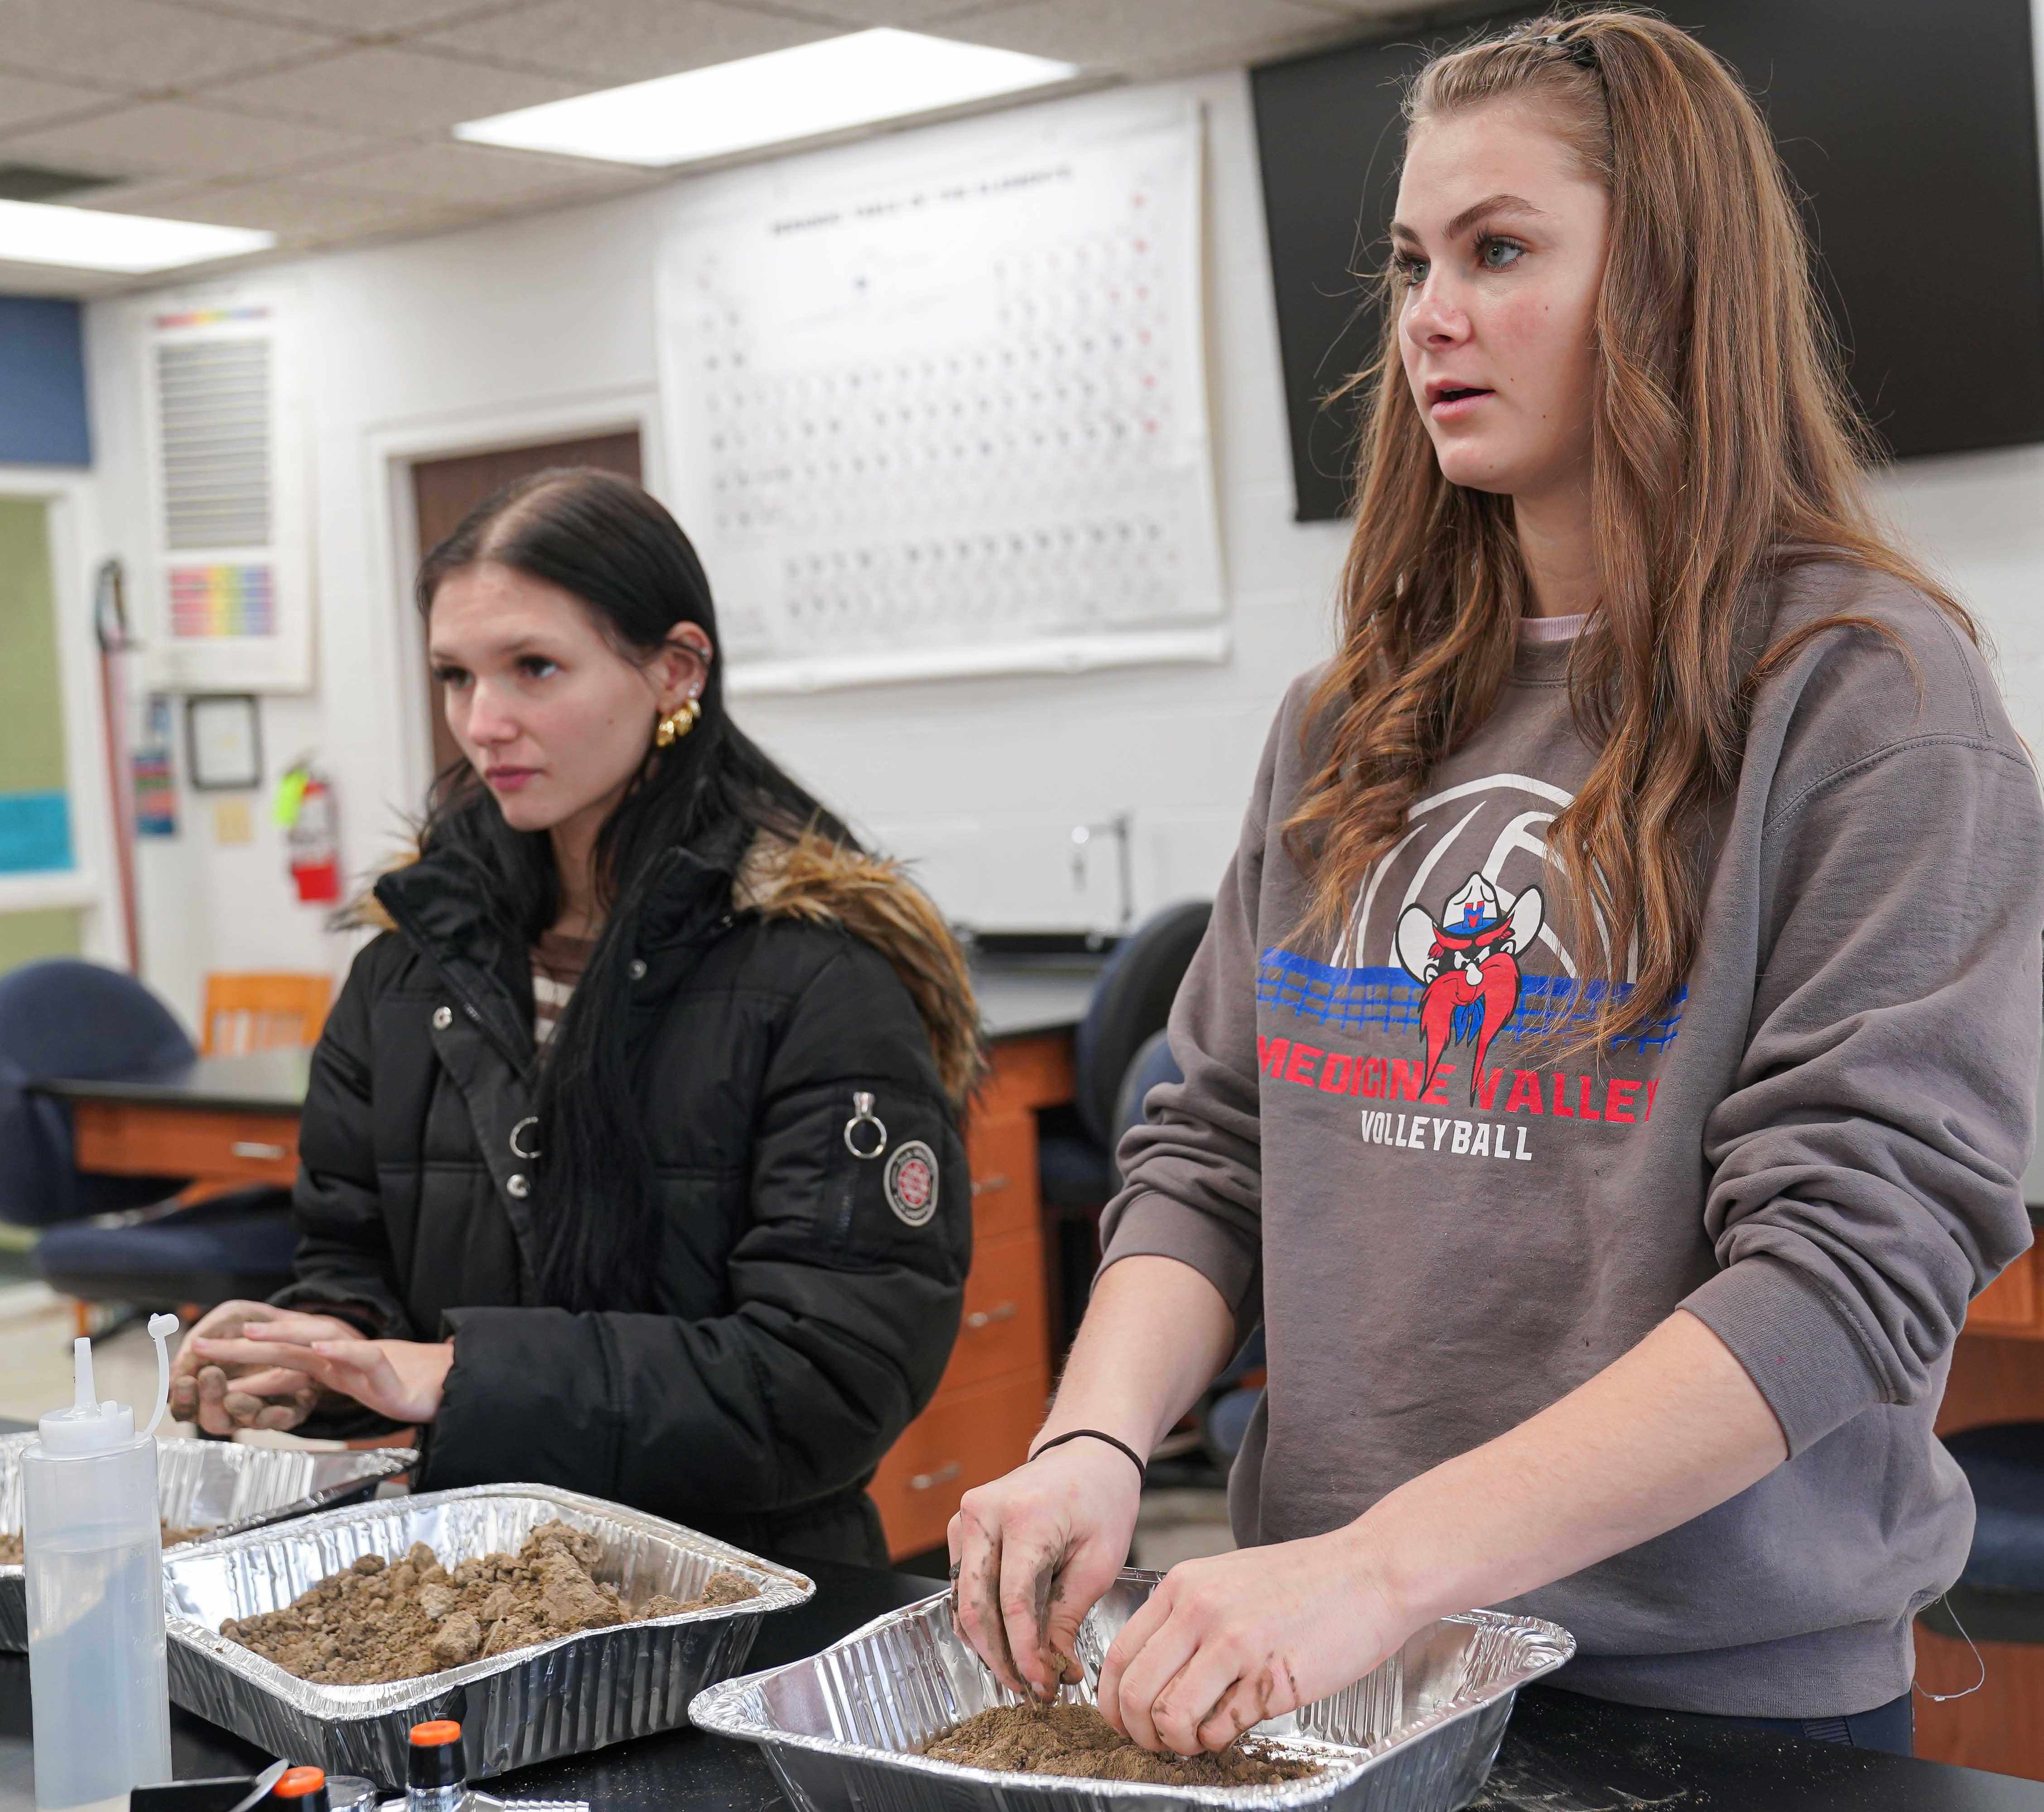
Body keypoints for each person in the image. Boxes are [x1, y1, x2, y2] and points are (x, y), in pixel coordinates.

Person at [949, 10, 2042, 1757]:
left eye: (1500, 251)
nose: (1428, 318)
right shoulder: (1349, 717)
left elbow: (1850, 1263)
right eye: (1411, 263)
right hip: (1331, 1674)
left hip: (1698, 1707)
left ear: (1670, 282)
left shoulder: (1869, 701)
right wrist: (1093, 1438)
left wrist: (1384, 1568)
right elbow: (1214, 1144)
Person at [168, 468, 979, 1566]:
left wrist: (459, 1372)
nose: (482, 722)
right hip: (467, 1587)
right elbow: (356, 1269)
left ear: (676, 669)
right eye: (456, 675)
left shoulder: (820, 975)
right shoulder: (407, 966)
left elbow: (829, 1378)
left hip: (741, 1593)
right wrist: (312, 1354)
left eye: (535, 668)